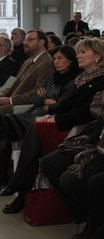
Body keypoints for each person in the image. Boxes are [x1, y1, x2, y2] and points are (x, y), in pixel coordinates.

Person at [0, 45, 80, 194]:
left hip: (48, 120)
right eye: (55, 59)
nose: (56, 62)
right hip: (36, 113)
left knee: (7, 123)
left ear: (71, 61)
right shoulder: (53, 77)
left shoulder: (73, 80)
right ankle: (0, 170)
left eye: (60, 58)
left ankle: (0, 171)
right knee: (6, 122)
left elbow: (60, 105)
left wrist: (44, 99)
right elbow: (35, 97)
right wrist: (46, 100)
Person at [40, 38, 104, 226]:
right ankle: (81, 215)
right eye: (78, 52)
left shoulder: (99, 81)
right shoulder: (80, 78)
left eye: (83, 52)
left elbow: (87, 112)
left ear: (98, 56)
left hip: (87, 133)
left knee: (71, 179)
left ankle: (91, 222)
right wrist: (53, 109)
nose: (78, 56)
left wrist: (55, 114)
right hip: (86, 132)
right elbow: (59, 101)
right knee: (48, 163)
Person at [0, 29, 54, 166]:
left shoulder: (46, 63)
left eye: (29, 40)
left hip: (22, 105)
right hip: (11, 99)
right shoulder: (28, 62)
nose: (25, 43)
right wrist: (2, 94)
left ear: (42, 42)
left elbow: (37, 92)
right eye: (25, 40)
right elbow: (15, 84)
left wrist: (10, 100)